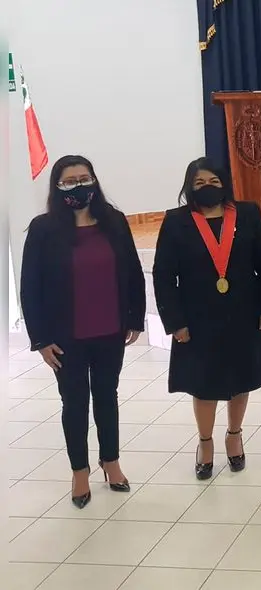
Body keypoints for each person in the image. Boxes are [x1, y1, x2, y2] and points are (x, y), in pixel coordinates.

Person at [20, 155, 145, 509]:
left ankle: (112, 462)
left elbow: (133, 272)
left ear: (95, 180)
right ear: (58, 187)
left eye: (84, 178)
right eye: (70, 180)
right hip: (66, 337)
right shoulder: (44, 229)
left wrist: (136, 317)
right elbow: (30, 287)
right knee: (74, 403)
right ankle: (79, 471)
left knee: (107, 397)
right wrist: (41, 339)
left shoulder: (115, 222)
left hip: (110, 330)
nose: (79, 185)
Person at [152, 158, 261, 481]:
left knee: (242, 378)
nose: (206, 188)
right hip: (197, 319)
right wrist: (175, 322)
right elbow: (164, 276)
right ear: (188, 188)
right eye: (199, 184)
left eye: (213, 181)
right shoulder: (176, 221)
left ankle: (234, 434)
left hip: (244, 313)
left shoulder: (247, 214)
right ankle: (205, 442)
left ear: (224, 183)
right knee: (204, 384)